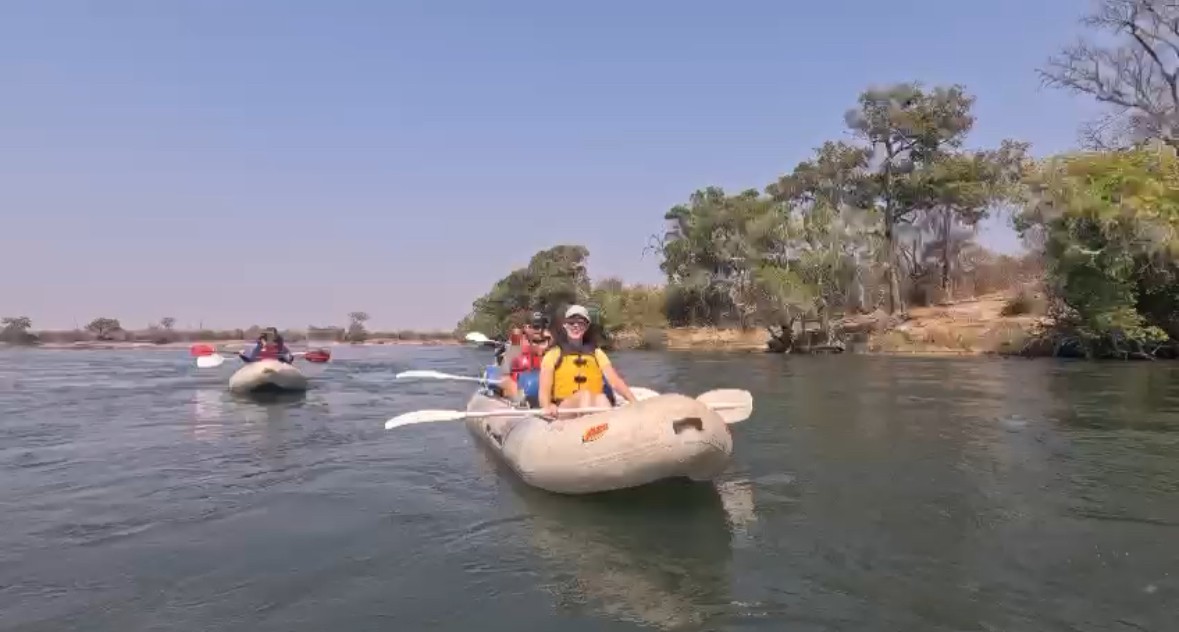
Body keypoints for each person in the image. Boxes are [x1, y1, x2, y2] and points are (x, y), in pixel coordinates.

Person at [538, 304, 637, 419]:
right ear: (565, 325)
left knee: (602, 399)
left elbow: (615, 381)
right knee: (584, 395)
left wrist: (634, 402)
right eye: (571, 322)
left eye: (581, 323)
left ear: (586, 326)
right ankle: (588, 432)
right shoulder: (553, 354)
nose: (576, 326)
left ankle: (604, 432)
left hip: (592, 404)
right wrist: (547, 406)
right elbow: (544, 389)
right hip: (563, 408)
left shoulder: (597, 353)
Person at [501, 312, 551, 406]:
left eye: (542, 326)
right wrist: (516, 395)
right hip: (519, 391)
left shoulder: (552, 345)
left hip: (544, 392)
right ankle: (519, 399)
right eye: (535, 327)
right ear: (526, 328)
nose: (539, 330)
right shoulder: (515, 347)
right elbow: (504, 375)